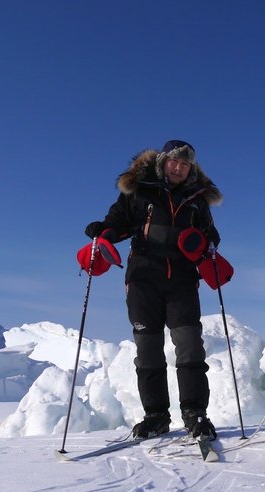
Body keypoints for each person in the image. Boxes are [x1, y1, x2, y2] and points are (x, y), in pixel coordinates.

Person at [83, 140, 221, 440]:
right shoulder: (141, 189)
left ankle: (195, 413)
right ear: (162, 162)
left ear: (190, 169)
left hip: (182, 282)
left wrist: (205, 244)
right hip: (144, 279)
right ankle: (156, 415)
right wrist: (104, 233)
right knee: (148, 349)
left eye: (185, 165)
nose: (179, 168)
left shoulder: (197, 199)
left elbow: (211, 237)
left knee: (189, 346)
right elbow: (118, 222)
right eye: (174, 162)